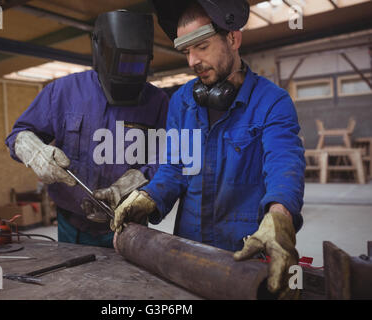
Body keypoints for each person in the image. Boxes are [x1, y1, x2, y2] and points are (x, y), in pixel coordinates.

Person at [110, 0, 305, 299]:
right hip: (187, 255)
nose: (192, 61)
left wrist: (280, 217)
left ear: (233, 38)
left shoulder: (272, 102)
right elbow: (175, 168)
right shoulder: (182, 102)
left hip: (246, 257)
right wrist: (148, 197)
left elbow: (284, 162)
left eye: (202, 46)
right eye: (187, 51)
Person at [5, 10, 169, 248]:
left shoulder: (157, 102)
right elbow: (18, 134)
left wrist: (136, 181)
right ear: (99, 49)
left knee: (132, 284)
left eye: (138, 64)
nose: (128, 73)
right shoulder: (62, 92)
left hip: (129, 223)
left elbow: (170, 159)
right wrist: (34, 151)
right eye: (122, 62)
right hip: (72, 226)